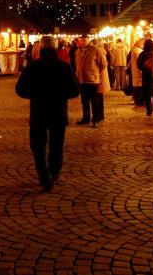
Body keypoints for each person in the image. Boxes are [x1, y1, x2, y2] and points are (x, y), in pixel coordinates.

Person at [15, 36, 79, 192]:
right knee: (56, 145)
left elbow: (20, 89)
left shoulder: (33, 66)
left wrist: (35, 94)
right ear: (56, 48)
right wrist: (61, 94)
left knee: (38, 145)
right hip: (58, 112)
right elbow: (75, 90)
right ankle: (54, 173)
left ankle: (44, 175)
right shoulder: (63, 67)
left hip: (39, 112)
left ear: (41, 48)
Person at [75, 35, 107, 126]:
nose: (82, 41)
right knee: (84, 100)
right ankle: (86, 118)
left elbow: (103, 64)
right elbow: (77, 64)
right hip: (82, 79)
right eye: (81, 39)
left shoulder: (95, 50)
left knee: (94, 100)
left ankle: (95, 119)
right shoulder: (78, 51)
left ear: (89, 40)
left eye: (84, 39)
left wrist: (95, 72)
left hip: (92, 80)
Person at [94, 40, 111, 126]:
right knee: (99, 97)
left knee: (97, 98)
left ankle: (98, 115)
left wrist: (97, 73)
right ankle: (100, 115)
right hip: (101, 78)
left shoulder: (99, 52)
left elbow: (103, 65)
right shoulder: (103, 52)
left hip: (99, 78)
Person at [129, 39, 144, 106]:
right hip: (138, 72)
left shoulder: (133, 50)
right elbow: (140, 62)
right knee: (139, 87)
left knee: (136, 86)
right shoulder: (138, 51)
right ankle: (139, 101)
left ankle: (137, 100)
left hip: (135, 71)